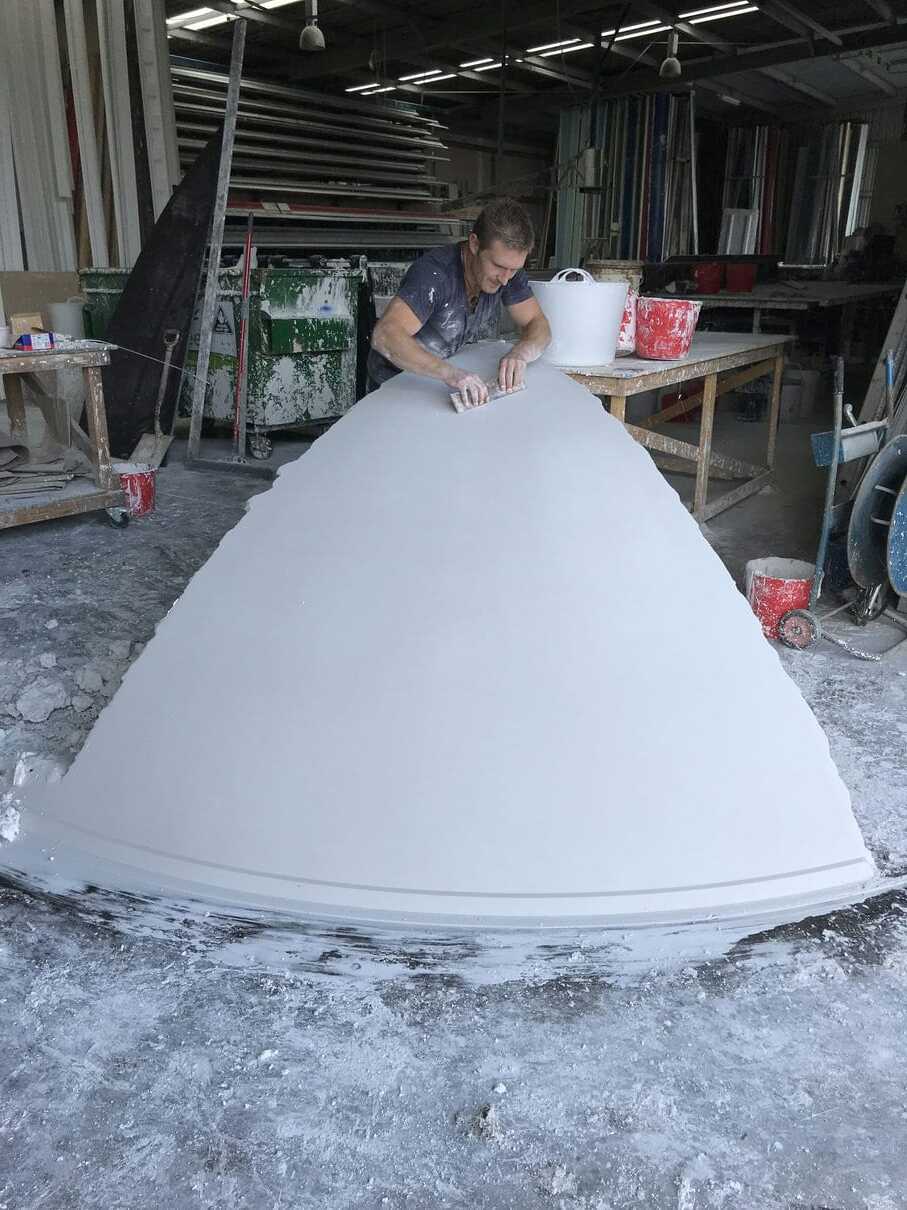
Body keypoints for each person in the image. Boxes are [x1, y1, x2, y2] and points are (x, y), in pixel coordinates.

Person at [368, 197, 551, 408]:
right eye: (498, 266)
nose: (505, 279)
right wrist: (451, 374)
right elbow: (385, 336)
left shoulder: (507, 272)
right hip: (395, 383)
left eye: (514, 269)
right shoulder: (434, 275)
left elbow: (538, 323)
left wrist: (521, 354)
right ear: (474, 244)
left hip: (437, 378)